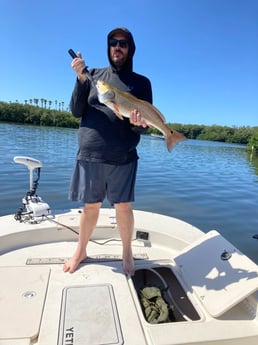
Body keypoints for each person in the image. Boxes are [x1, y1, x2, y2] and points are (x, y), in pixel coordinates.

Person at [63, 27, 153, 276]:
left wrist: (139, 124)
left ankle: (127, 252)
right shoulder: (92, 75)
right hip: (90, 153)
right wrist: (81, 79)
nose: (117, 47)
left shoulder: (142, 83)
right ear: (108, 46)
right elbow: (76, 111)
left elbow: (143, 129)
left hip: (123, 156)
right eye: (113, 42)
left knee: (122, 207)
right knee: (90, 207)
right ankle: (80, 250)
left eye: (123, 43)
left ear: (130, 48)